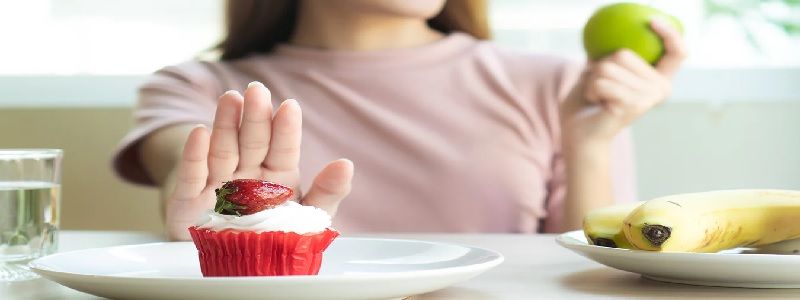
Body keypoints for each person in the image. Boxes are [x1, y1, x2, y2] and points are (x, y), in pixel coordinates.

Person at [112, 0, 687, 241]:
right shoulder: (198, 87)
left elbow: (588, 272)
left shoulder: (560, 85)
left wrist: (589, 142)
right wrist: (227, 220)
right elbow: (186, 192)